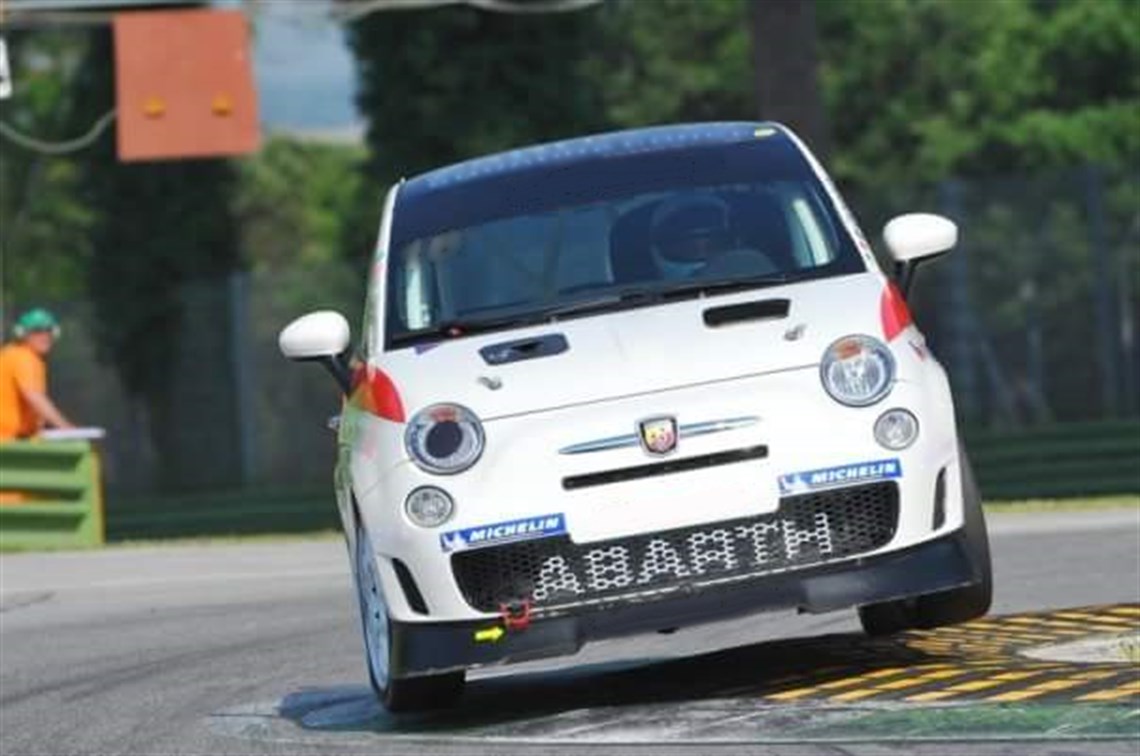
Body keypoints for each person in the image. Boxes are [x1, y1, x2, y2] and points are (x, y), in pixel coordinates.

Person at [648, 193, 779, 280]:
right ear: (659, 248)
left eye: (713, 245)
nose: (702, 253)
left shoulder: (769, 278)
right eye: (690, 248)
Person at [0, 308, 75, 441]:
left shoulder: (18, 355)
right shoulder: (23, 357)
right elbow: (34, 396)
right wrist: (68, 429)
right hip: (7, 441)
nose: (45, 336)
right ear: (22, 334)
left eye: (49, 331)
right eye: (37, 331)